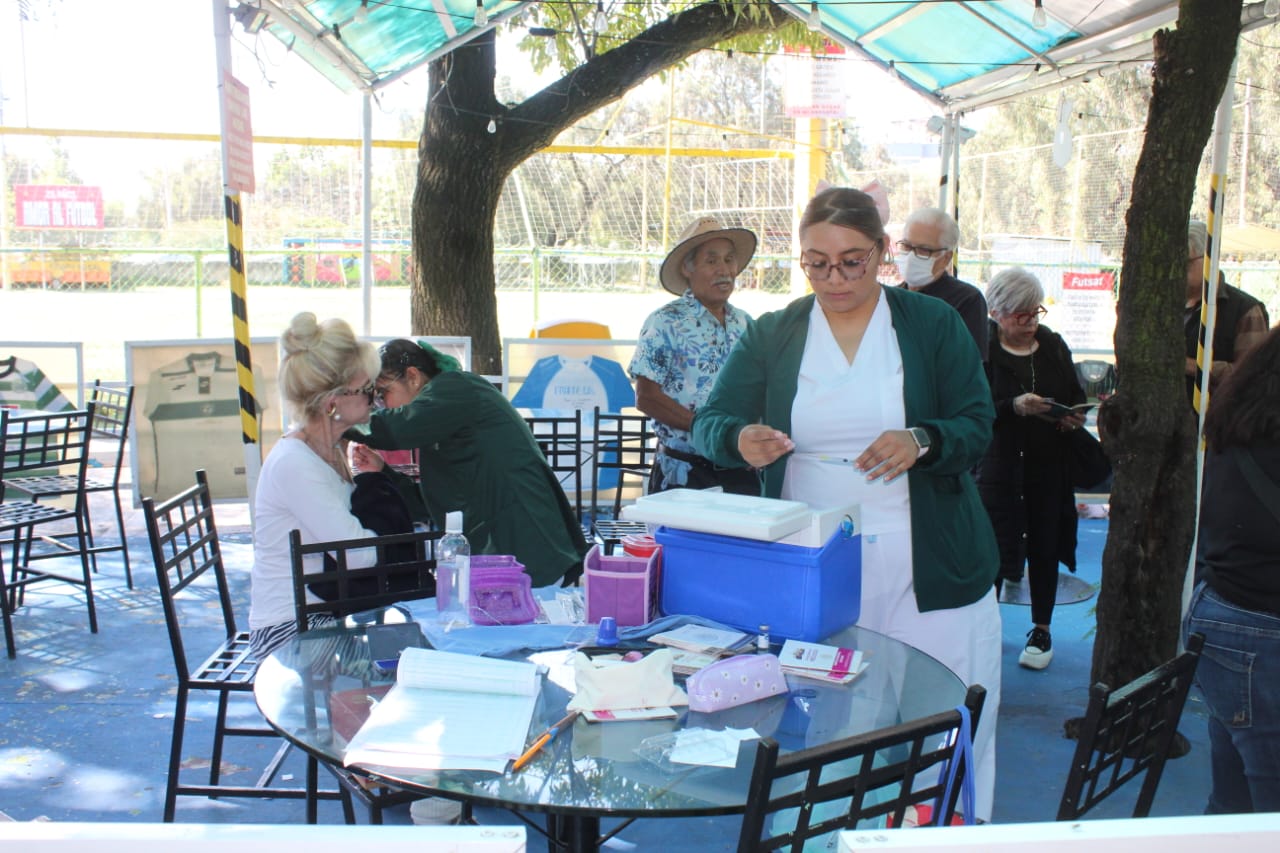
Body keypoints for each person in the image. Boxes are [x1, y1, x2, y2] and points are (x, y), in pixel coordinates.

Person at [692, 186, 1002, 821]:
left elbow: (976, 422)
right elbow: (711, 422)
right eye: (816, 262)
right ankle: (831, 833)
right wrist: (738, 439)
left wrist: (923, 439)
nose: (834, 277)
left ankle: (945, 829)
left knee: (944, 720)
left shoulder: (930, 323)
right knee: (830, 720)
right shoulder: (778, 333)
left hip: (932, 559)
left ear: (882, 252)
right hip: (819, 563)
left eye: (852, 261)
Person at [348, 339, 589, 587]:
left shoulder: (455, 388)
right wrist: (382, 472)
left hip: (526, 542)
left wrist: (341, 417)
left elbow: (395, 428)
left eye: (382, 394)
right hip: (508, 546)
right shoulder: (444, 411)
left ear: (413, 376)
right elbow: (430, 503)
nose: (382, 406)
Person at [248, 312, 386, 660]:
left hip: (328, 610)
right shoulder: (296, 463)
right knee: (397, 670)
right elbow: (359, 555)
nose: (375, 398)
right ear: (332, 403)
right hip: (290, 628)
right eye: (366, 390)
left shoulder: (331, 450)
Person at [1185, 327, 1280, 814]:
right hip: (1258, 624)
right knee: (1265, 802)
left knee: (1235, 798)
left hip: (1225, 615)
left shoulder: (1242, 418)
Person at [975, 268, 1088, 672]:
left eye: (1035, 312)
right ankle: (984, 628)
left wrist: (1070, 415)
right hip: (1000, 465)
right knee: (991, 546)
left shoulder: (1054, 345)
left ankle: (1042, 629)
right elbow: (977, 407)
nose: (1031, 322)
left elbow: (1075, 393)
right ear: (998, 312)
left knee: (1045, 544)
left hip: (1048, 462)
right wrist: (1014, 406)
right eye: (1021, 314)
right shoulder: (983, 349)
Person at [629, 217, 760, 494]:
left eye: (729, 260)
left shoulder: (746, 324)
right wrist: (707, 429)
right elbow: (646, 397)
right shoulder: (664, 322)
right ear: (688, 268)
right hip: (684, 474)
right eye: (711, 261)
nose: (723, 270)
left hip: (741, 471)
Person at [1183, 219, 1269, 405]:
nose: (1177, 271)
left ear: (1209, 258)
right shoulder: (1166, 308)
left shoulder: (1245, 310)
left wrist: (1191, 366)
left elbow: (1252, 376)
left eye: (1185, 262)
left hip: (1216, 425)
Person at [896, 207, 988, 361]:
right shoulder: (890, 296)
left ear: (946, 258)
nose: (911, 256)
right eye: (906, 246)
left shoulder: (967, 301)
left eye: (924, 250)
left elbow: (969, 369)